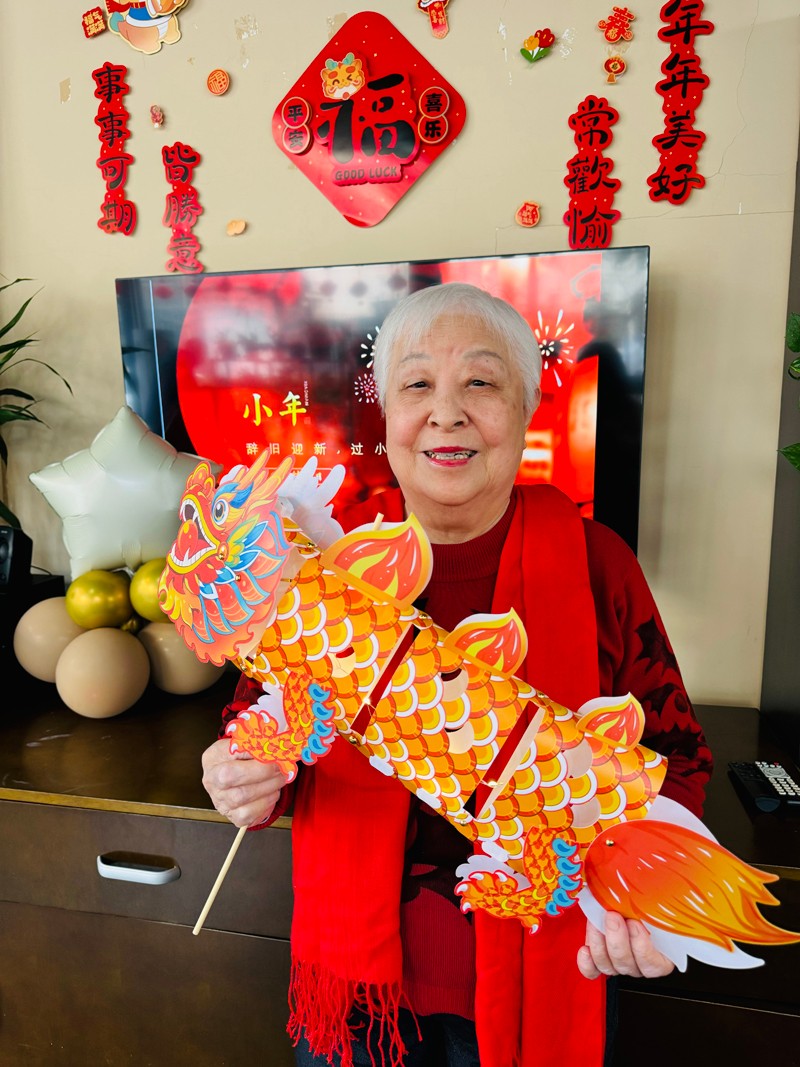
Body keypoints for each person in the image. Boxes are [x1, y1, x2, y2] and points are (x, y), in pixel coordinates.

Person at [201, 283, 713, 1067]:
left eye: (481, 381)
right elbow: (262, 729)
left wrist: (648, 891)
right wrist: (242, 777)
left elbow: (677, 757)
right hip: (358, 989)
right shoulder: (320, 564)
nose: (446, 412)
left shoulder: (597, 563)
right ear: (386, 413)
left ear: (526, 408)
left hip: (551, 961)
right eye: (417, 384)